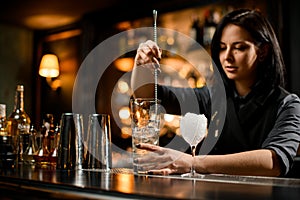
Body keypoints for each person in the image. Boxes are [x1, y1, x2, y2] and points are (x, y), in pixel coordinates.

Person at [130, 8, 300, 177]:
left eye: (239, 48)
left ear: (263, 51)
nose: (227, 57)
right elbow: (149, 97)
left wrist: (192, 162)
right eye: (222, 48)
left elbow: (274, 162)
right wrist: (141, 65)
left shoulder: (288, 104)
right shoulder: (213, 96)